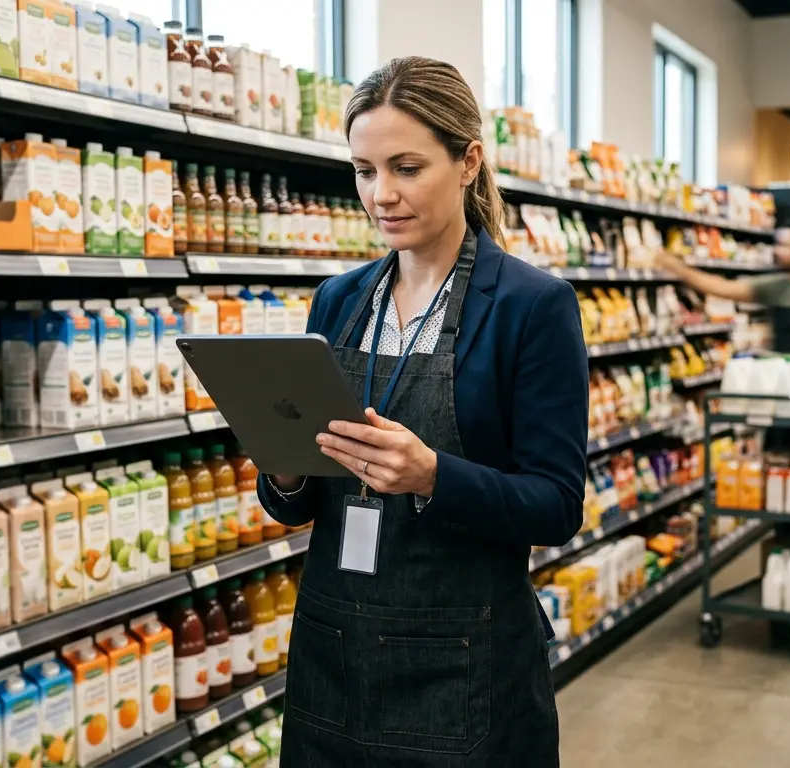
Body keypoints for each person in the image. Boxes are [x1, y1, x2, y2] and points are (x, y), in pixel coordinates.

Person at [258, 56, 588, 767]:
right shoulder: (339, 302)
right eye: (364, 170)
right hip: (333, 654)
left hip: (465, 666)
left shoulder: (532, 306)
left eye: (407, 167)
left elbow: (558, 505)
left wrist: (435, 475)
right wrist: (284, 470)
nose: (382, 195)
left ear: (467, 162)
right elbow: (302, 503)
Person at [656, 219, 790, 541]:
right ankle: (789, 552)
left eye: (786, 244)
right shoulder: (778, 285)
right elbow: (725, 289)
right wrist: (680, 270)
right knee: (781, 488)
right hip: (780, 403)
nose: (778, 250)